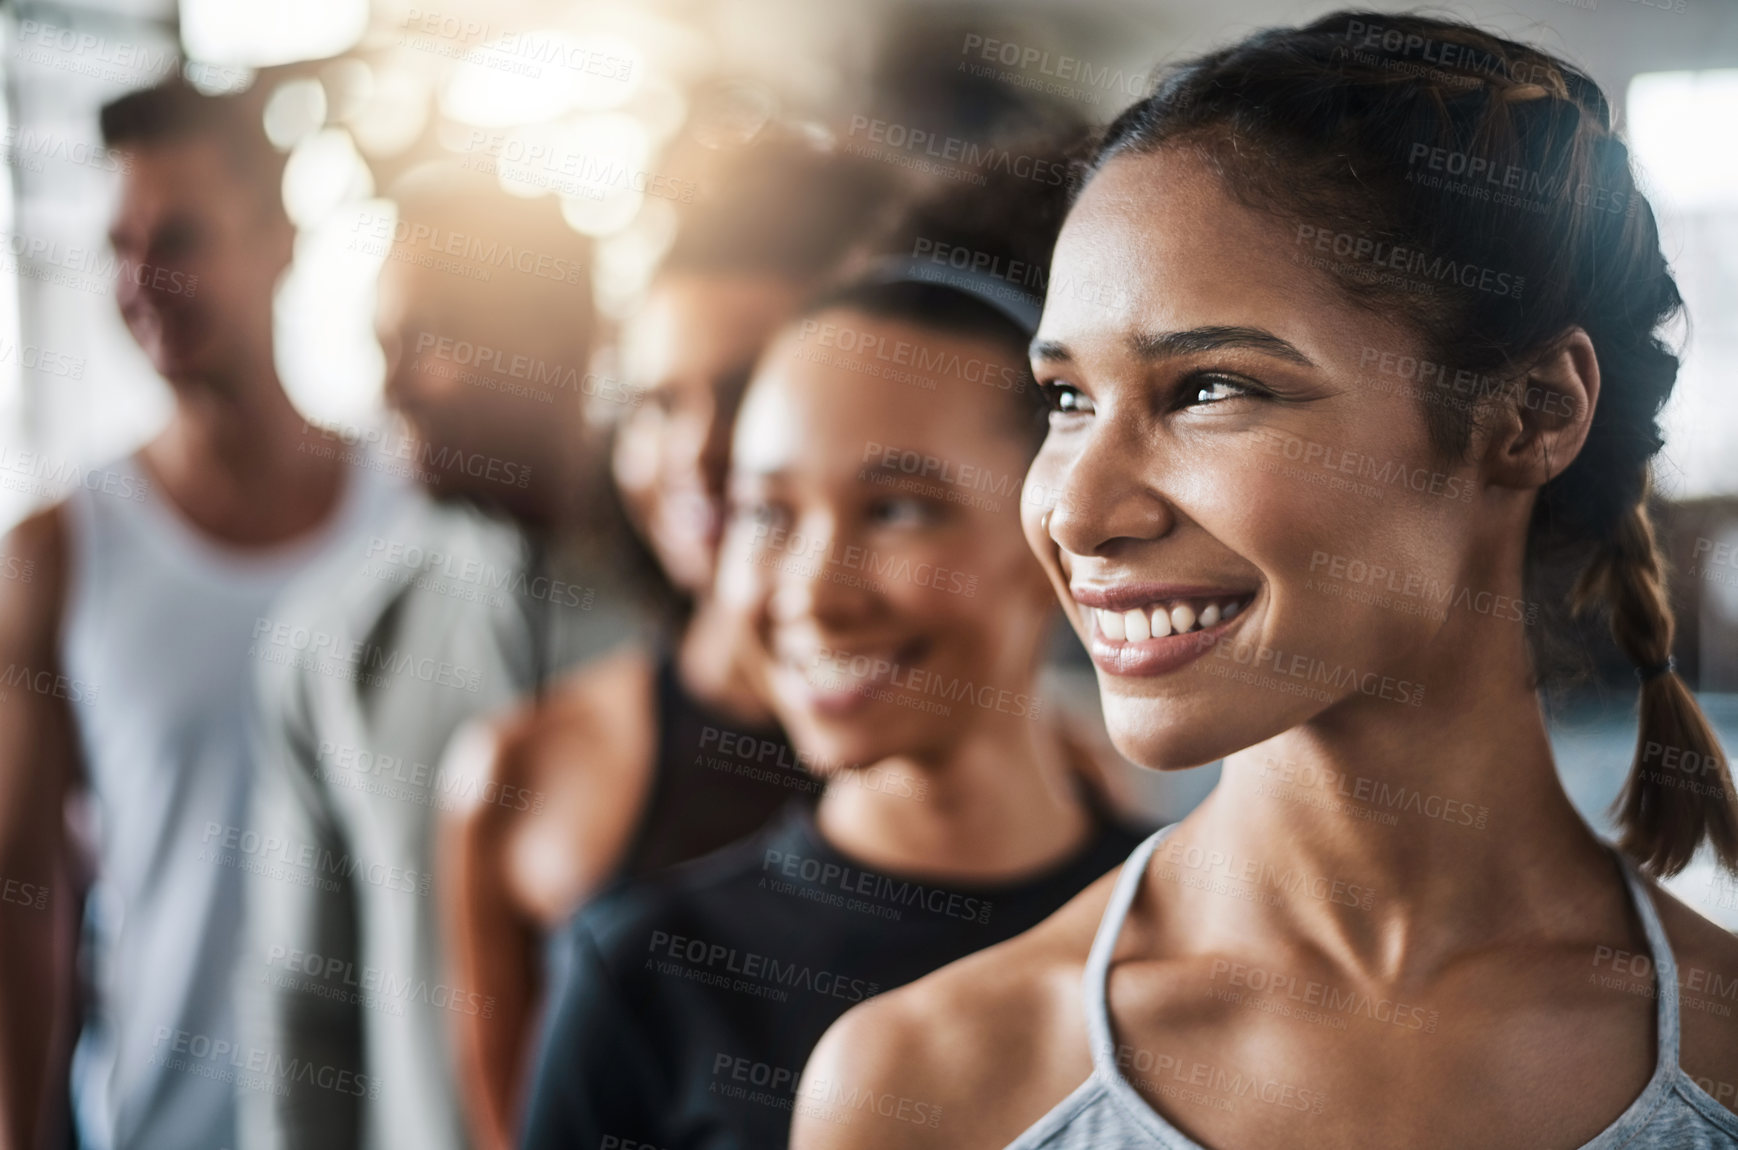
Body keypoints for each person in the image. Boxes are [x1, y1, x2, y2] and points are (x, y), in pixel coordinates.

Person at [794, 12, 1738, 1150]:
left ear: (1532, 412)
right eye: (1066, 400)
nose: (1078, 512)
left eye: (1208, 389)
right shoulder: (928, 1083)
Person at [518, 163, 1151, 1150]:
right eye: (767, 512)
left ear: (1054, 521)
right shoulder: (650, 976)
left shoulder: (1199, 941)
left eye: (898, 508)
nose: (812, 591)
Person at [438, 137, 902, 1150]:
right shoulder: (518, 771)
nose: (694, 451)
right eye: (657, 402)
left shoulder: (1015, 764)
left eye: (742, 391)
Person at [0, 76, 400, 1150]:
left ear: (278, 240)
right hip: (157, 1126)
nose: (142, 282)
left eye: (177, 238)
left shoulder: (408, 518)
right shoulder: (56, 550)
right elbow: (22, 892)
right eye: (119, 248)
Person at [235, 168, 639, 1150]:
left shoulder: (706, 622)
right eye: (383, 346)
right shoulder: (335, 644)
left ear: (555, 347)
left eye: (429, 342)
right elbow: (304, 1011)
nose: (391, 385)